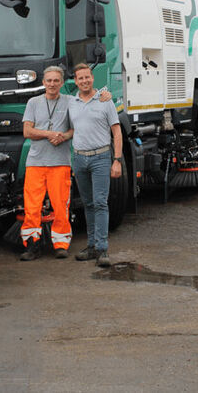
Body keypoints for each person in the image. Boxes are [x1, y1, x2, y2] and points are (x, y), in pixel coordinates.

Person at [68, 63, 123, 267]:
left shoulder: (104, 100)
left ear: (93, 78)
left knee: (100, 203)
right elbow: (72, 129)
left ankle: (102, 249)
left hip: (101, 158)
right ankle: (91, 246)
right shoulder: (71, 102)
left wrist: (116, 160)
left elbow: (116, 132)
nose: (84, 81)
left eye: (87, 77)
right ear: (75, 81)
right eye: (80, 78)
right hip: (79, 159)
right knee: (88, 203)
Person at [20, 66, 74, 260]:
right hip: (35, 162)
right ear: (43, 83)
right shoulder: (33, 102)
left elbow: (75, 129)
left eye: (56, 81)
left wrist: (64, 137)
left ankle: (60, 244)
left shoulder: (70, 102)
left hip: (60, 162)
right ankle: (32, 245)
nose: (52, 84)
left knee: (60, 205)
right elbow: (27, 132)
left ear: (61, 83)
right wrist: (50, 134)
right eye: (49, 80)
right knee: (32, 206)